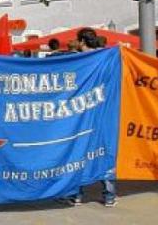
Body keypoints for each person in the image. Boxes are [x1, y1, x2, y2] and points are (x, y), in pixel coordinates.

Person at [68, 27, 117, 207]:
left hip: (83, 112)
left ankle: (77, 194)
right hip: (104, 111)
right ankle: (109, 195)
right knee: (104, 150)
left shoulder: (79, 59)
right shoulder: (108, 57)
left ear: (82, 41)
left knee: (79, 152)